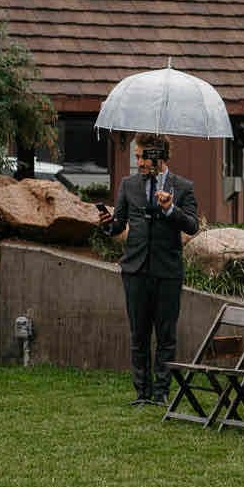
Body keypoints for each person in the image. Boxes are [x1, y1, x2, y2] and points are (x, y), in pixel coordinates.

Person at [96, 133, 200, 406]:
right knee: (139, 335)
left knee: (166, 336)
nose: (139, 162)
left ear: (158, 156)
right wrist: (107, 224)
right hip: (136, 270)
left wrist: (170, 209)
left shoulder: (183, 187)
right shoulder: (128, 185)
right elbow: (118, 225)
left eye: (142, 157)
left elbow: (192, 226)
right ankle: (142, 393)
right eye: (137, 157)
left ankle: (161, 393)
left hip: (167, 271)